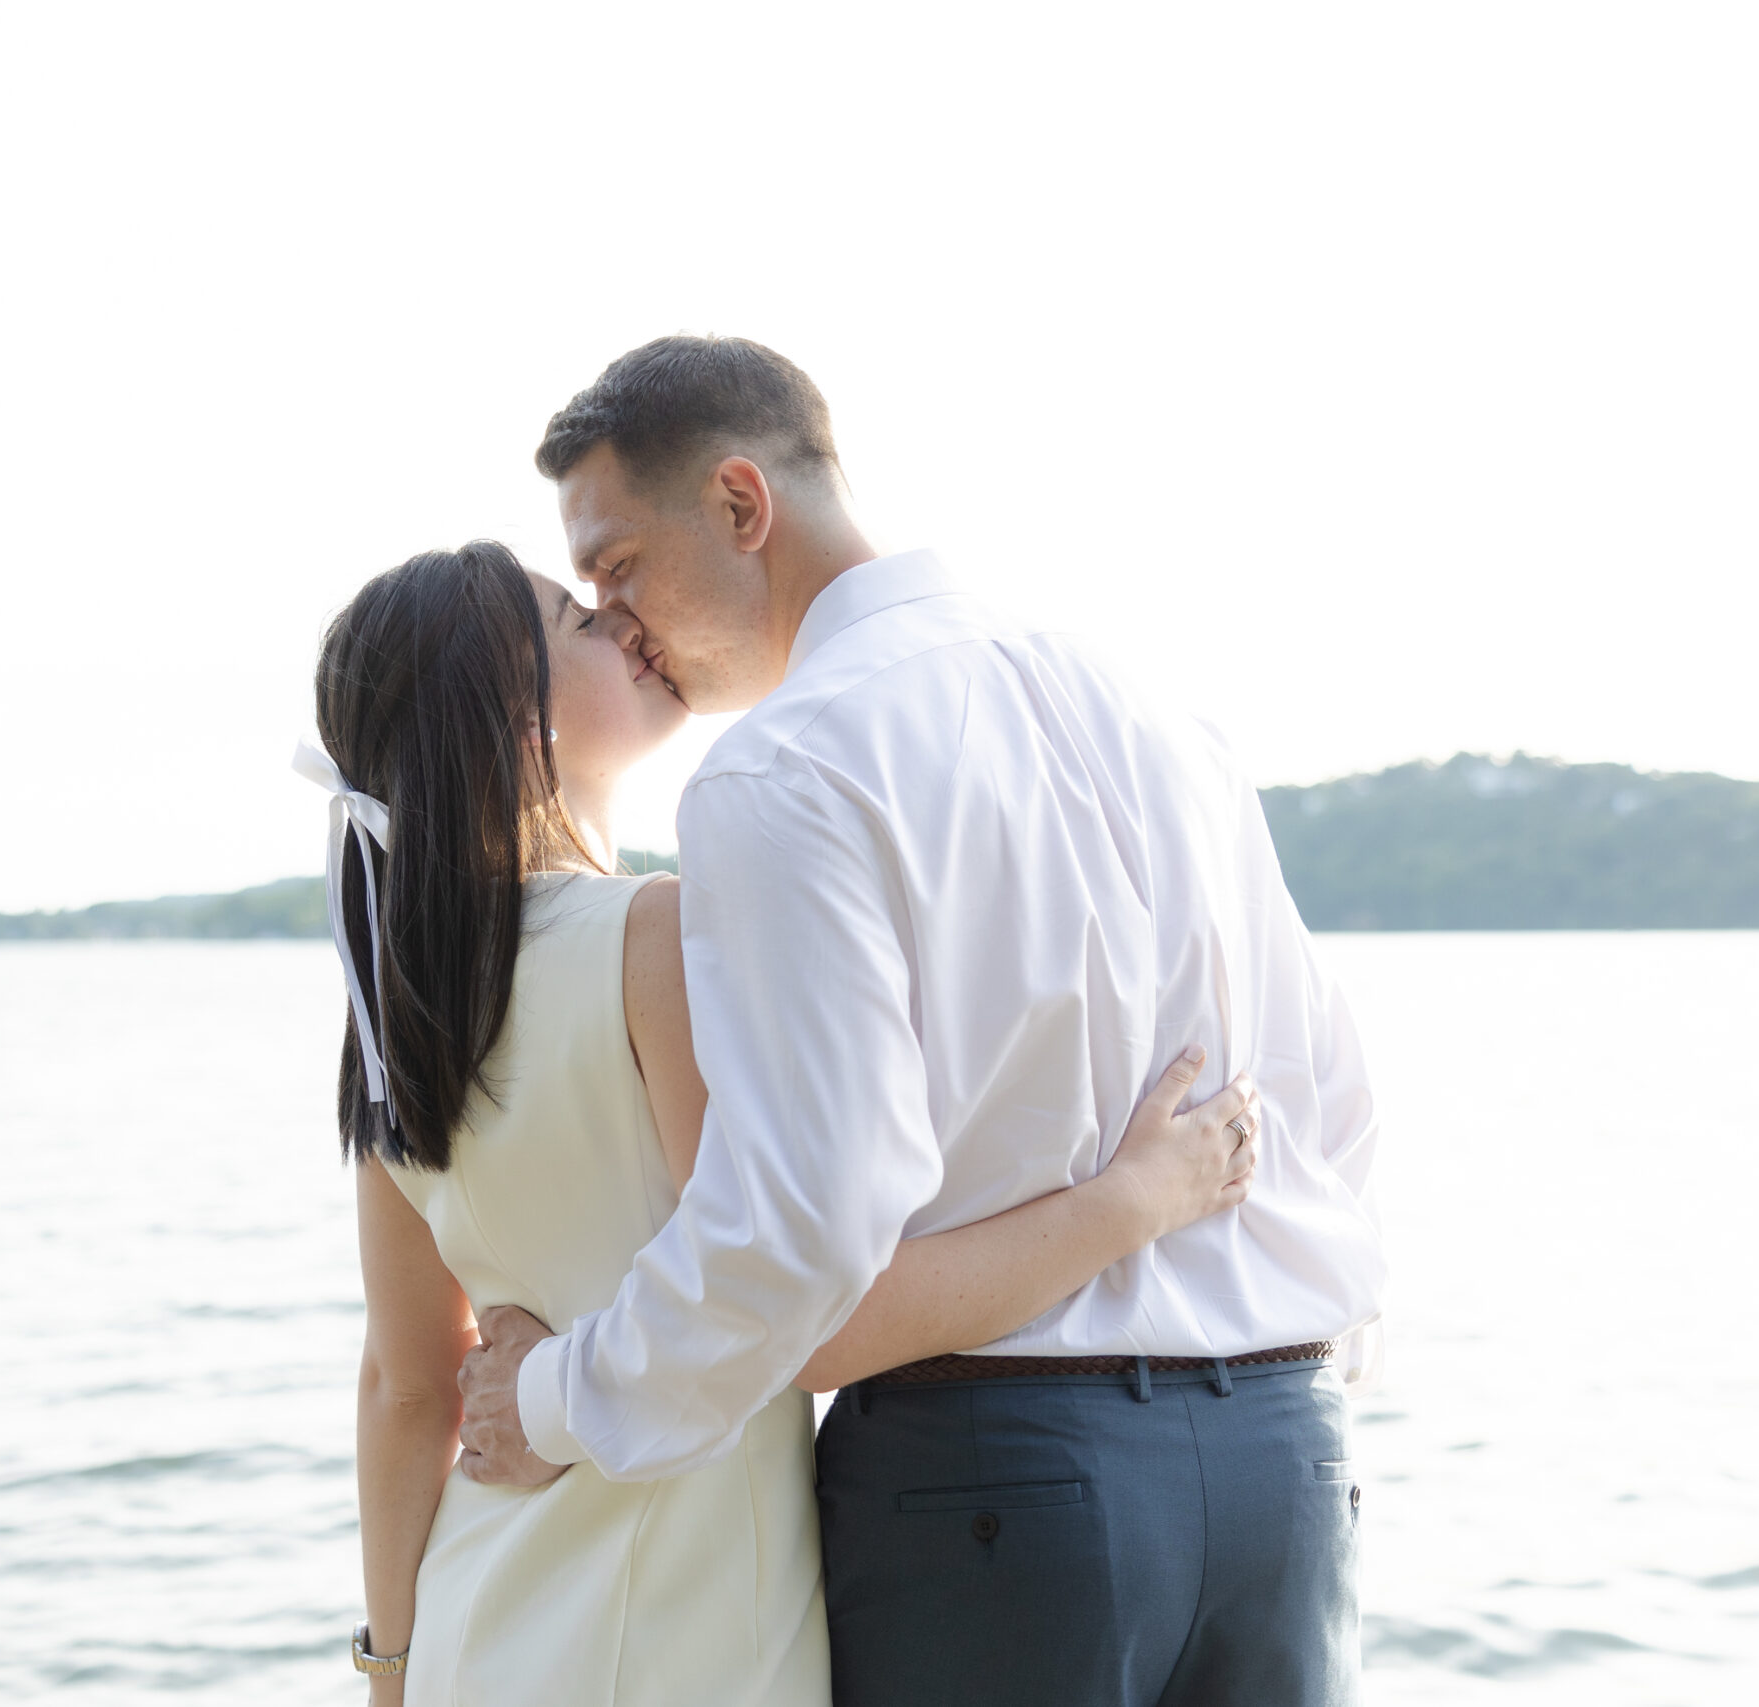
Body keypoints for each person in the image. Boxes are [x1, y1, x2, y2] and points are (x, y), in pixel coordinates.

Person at [454, 337, 1387, 1706]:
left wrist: (545, 1399)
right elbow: (1327, 1092)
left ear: (737, 502)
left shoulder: (784, 771)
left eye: (618, 567)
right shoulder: (1158, 717)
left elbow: (800, 1227)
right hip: (1287, 1468)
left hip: (1002, 1490)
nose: (620, 616)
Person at [313, 541, 1262, 1705]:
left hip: (483, 1614)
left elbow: (408, 1389)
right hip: (684, 1624)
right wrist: (1127, 1205)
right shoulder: (648, 942)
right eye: (577, 624)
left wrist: (392, 1669)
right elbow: (802, 1288)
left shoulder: (393, 1014)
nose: (620, 623)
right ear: (525, 726)